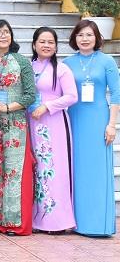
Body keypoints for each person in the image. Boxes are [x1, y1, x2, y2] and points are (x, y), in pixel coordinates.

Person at [62, 20, 119, 237]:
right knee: (77, 170)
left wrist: (111, 124)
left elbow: (116, 94)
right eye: (80, 35)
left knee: (96, 170)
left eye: (89, 35)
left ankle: (98, 224)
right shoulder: (67, 63)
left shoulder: (107, 61)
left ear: (97, 38)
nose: (84, 39)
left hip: (98, 120)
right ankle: (78, 222)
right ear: (74, 38)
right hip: (74, 119)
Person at [0, 19, 36, 235]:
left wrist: (6, 107)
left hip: (16, 124)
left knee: (14, 172)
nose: (3, 35)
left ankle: (15, 224)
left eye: (7, 31)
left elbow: (30, 95)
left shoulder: (21, 61)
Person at [28, 27, 77, 233]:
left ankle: (57, 221)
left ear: (56, 47)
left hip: (54, 123)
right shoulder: (28, 67)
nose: (46, 45)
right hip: (31, 123)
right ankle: (36, 220)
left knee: (55, 169)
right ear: (34, 45)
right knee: (37, 169)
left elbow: (72, 96)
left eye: (51, 42)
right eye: (42, 41)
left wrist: (48, 106)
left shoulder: (62, 69)